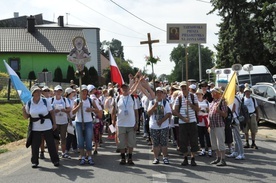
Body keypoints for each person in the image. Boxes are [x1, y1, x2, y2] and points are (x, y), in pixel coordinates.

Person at [22, 85, 59, 168]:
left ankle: (55, 160)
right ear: (33, 93)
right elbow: (26, 116)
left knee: (51, 144)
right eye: (36, 91)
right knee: (35, 145)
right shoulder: (29, 103)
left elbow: (52, 112)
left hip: (47, 126)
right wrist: (23, 110)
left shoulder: (45, 101)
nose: (38, 93)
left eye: (39, 91)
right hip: (35, 127)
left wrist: (54, 124)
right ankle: (34, 161)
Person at [173, 81, 199, 166]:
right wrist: (183, 118)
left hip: (192, 122)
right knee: (183, 141)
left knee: (193, 140)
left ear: (187, 87)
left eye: (185, 87)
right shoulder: (179, 98)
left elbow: (197, 109)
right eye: (182, 87)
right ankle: (185, 158)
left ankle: (193, 158)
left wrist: (190, 104)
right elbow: (175, 111)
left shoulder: (193, 96)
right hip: (182, 123)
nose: (183, 89)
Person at [111, 83, 139, 165]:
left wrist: (137, 122)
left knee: (131, 142)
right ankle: (123, 158)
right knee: (121, 142)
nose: (125, 89)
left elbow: (136, 111)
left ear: (129, 89)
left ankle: (130, 157)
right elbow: (114, 110)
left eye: (126, 88)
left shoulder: (133, 98)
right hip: (121, 123)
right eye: (123, 88)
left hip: (131, 123)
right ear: (121, 89)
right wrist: (113, 120)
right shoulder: (117, 98)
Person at [72, 85, 96, 165]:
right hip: (79, 122)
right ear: (80, 92)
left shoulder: (90, 100)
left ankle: (89, 156)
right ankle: (82, 156)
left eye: (85, 90)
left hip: (88, 122)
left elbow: (97, 110)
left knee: (89, 139)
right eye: (82, 91)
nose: (84, 92)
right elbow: (73, 112)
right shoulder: (77, 100)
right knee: (80, 140)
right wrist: (79, 106)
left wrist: (91, 109)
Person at [147, 87, 172, 164]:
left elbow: (169, 113)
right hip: (154, 126)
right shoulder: (151, 102)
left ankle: (165, 157)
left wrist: (162, 121)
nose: (159, 94)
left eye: (160, 92)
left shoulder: (165, 102)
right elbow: (148, 113)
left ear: (162, 93)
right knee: (155, 143)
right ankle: (156, 158)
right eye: (157, 92)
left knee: (164, 142)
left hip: (163, 126)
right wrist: (154, 106)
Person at [208, 87, 228, 166]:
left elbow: (225, 114)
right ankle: (218, 157)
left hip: (219, 125)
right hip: (212, 125)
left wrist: (219, 111)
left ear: (217, 93)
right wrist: (209, 124)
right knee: (214, 143)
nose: (212, 94)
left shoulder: (222, 102)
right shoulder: (213, 102)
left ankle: (223, 159)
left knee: (220, 142)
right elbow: (210, 113)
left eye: (213, 92)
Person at [52, 85, 71, 158]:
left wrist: (64, 110)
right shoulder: (51, 100)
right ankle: (56, 153)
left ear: (62, 92)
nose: (58, 92)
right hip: (55, 122)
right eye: (57, 91)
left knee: (63, 138)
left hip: (64, 122)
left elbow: (69, 109)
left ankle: (64, 152)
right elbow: (49, 110)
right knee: (56, 139)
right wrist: (54, 111)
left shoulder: (65, 100)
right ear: (54, 92)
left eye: (60, 91)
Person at [228, 87, 245, 160]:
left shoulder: (234, 98)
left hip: (234, 118)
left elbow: (232, 109)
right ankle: (236, 151)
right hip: (236, 118)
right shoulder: (237, 97)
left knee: (237, 137)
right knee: (235, 136)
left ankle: (241, 153)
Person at [196, 88, 212, 157]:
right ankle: (202, 149)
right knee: (201, 136)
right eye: (197, 94)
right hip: (199, 121)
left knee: (207, 136)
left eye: (200, 94)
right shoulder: (196, 102)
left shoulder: (206, 102)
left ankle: (210, 149)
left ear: (202, 95)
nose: (198, 95)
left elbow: (209, 110)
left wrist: (206, 111)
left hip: (205, 120)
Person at [64, 87, 78, 154]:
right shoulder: (66, 100)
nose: (74, 93)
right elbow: (68, 110)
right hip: (69, 119)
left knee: (74, 133)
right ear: (69, 93)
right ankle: (67, 149)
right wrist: (69, 118)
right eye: (72, 92)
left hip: (74, 118)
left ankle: (74, 147)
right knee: (70, 134)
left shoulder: (73, 100)